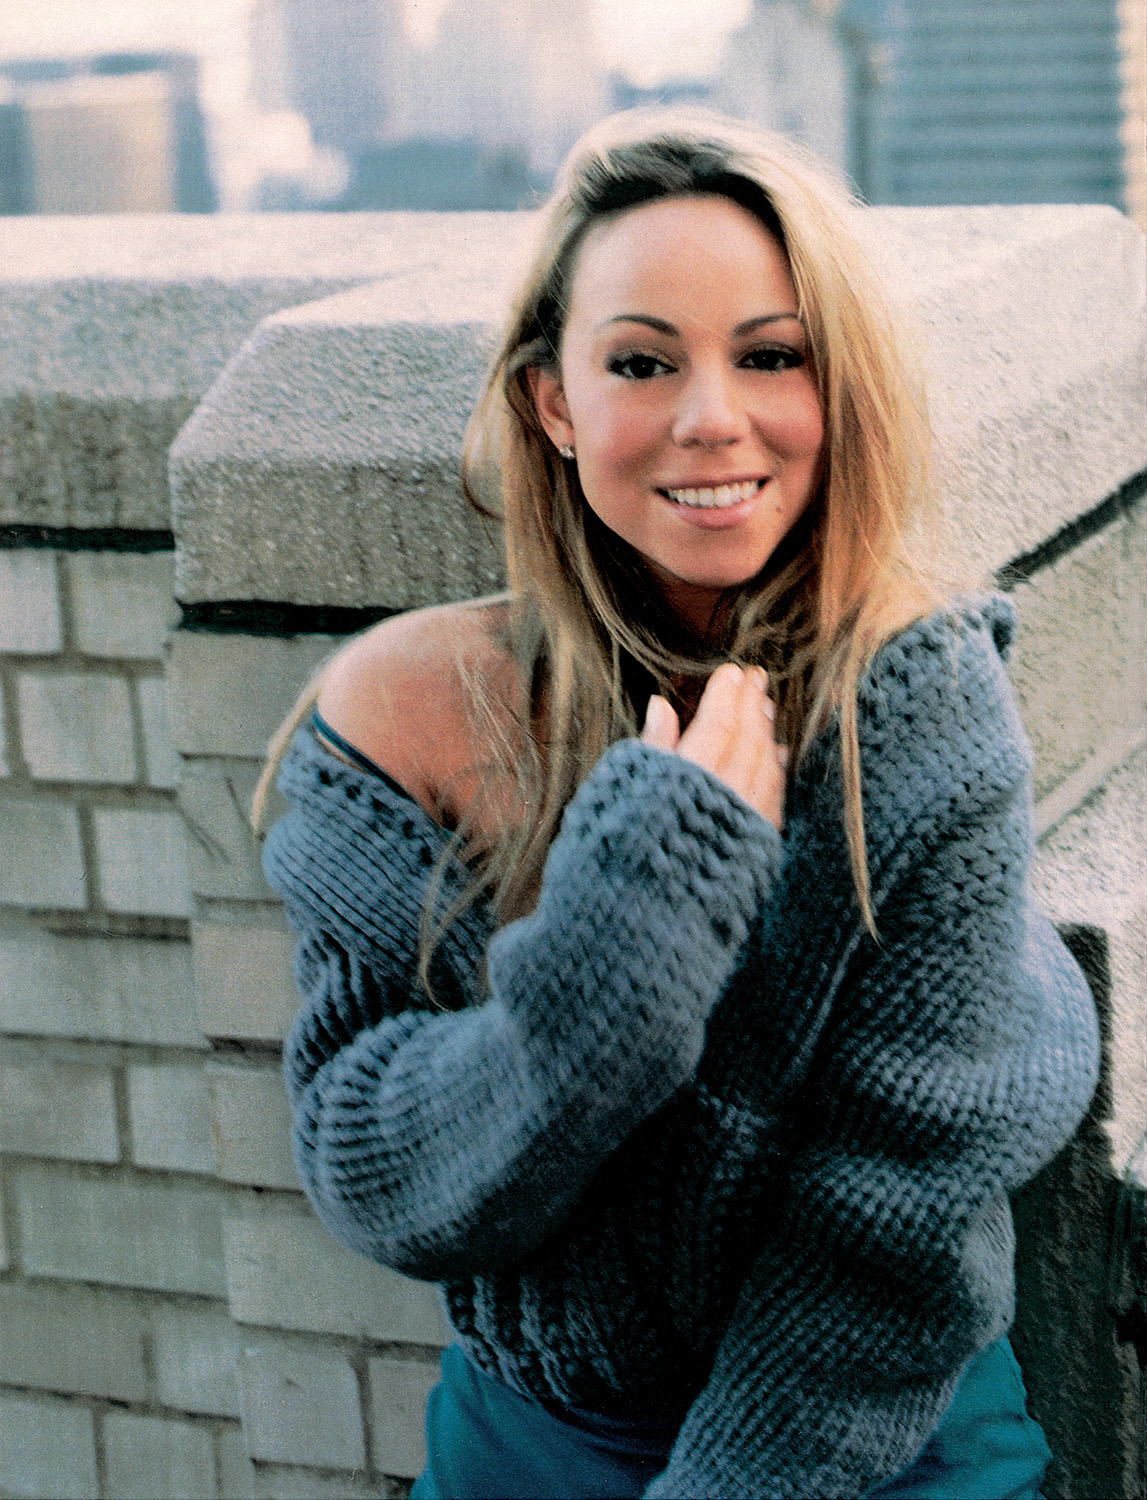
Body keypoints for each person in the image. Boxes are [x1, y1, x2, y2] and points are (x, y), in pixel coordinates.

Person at [258, 109, 1100, 1499]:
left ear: (840, 389)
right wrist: (629, 938)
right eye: (643, 363)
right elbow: (379, 1176)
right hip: (532, 1441)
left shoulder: (916, 702)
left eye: (771, 356)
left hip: (874, 1441)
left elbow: (886, 1236)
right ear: (554, 402)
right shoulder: (404, 708)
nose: (712, 418)